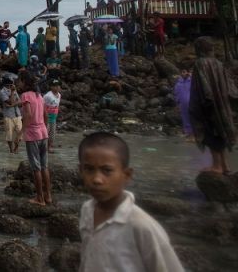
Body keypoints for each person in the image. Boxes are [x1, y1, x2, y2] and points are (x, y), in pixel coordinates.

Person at [78, 132, 184, 272]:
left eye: (107, 170)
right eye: (89, 169)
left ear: (126, 175)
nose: (97, 179)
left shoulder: (141, 226)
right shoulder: (87, 210)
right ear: (80, 171)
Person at [189, 36, 236, 175]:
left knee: (210, 133)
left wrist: (206, 101)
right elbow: (229, 86)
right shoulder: (218, 63)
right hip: (222, 103)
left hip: (208, 104)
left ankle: (217, 165)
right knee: (221, 132)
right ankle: (225, 165)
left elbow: (203, 85)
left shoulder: (200, 64)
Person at [20, 72, 51, 205]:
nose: (18, 83)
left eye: (19, 81)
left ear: (24, 82)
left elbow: (28, 114)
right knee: (44, 166)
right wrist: (44, 127)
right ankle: (48, 196)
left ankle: (39, 198)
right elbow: (45, 115)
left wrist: (21, 132)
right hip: (43, 133)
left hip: (32, 135)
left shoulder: (25, 95)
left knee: (36, 168)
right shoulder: (40, 96)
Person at [0, 77, 22, 153]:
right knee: (9, 134)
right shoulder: (2, 92)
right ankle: (11, 149)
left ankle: (16, 148)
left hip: (17, 114)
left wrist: (12, 105)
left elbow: (19, 101)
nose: (11, 87)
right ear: (6, 85)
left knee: (20, 133)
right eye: (9, 85)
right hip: (8, 116)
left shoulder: (14, 90)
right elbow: (11, 102)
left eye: (11, 85)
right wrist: (12, 92)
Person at [173, 68, 193, 140]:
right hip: (183, 103)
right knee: (185, 117)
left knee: (193, 117)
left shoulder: (192, 81)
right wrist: (177, 103)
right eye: (182, 72)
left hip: (192, 102)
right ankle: (188, 133)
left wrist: (192, 76)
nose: (184, 73)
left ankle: (195, 133)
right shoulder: (178, 83)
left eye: (185, 72)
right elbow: (176, 93)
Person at [44, 80, 62, 153]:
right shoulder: (47, 96)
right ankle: (44, 148)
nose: (57, 87)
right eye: (55, 86)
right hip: (46, 117)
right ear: (51, 87)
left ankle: (50, 147)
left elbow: (57, 106)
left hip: (54, 117)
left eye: (58, 85)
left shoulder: (59, 95)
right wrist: (45, 116)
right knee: (45, 133)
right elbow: (42, 106)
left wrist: (57, 114)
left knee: (52, 134)